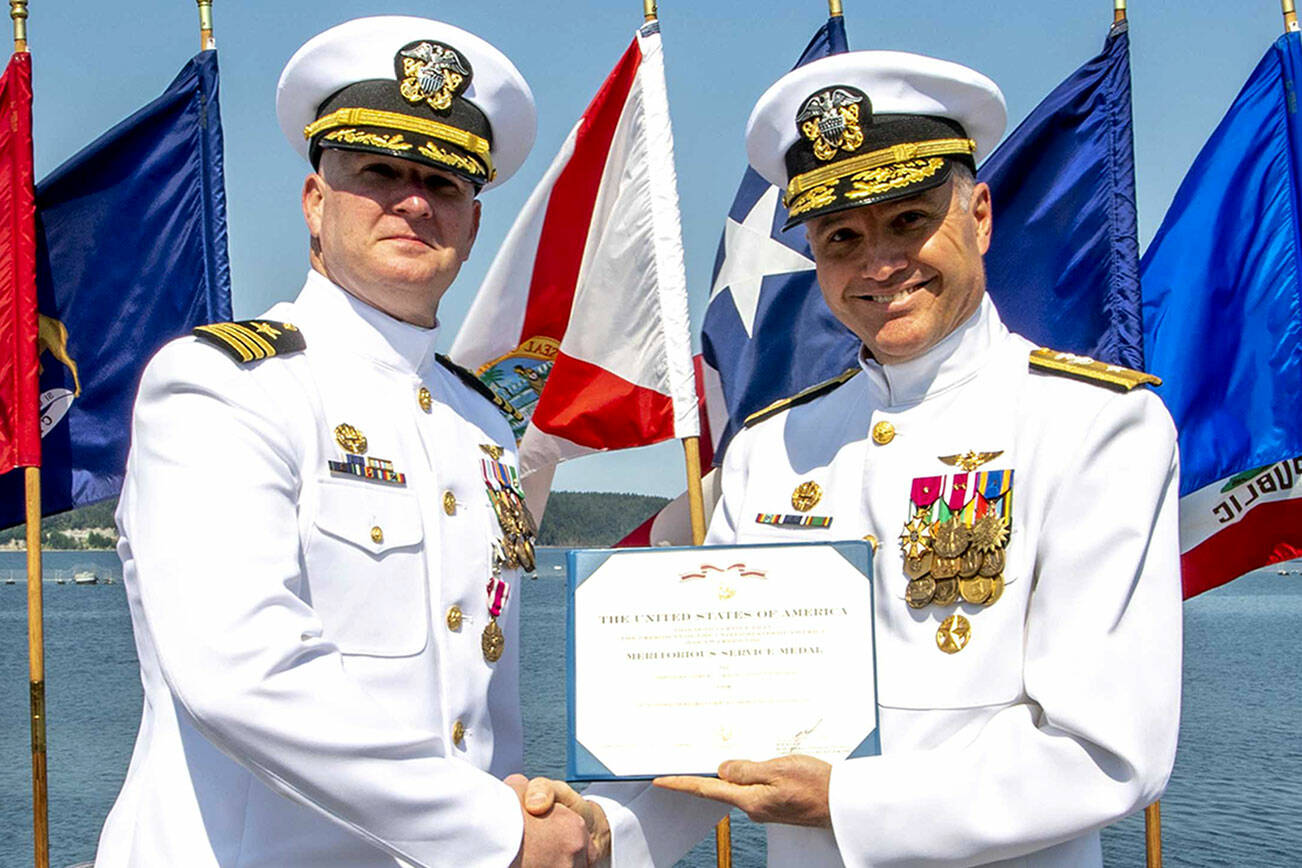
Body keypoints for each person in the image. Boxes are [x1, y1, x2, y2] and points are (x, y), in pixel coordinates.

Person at [529, 50, 1183, 867]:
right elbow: (715, 725)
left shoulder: (1094, 425)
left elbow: (1106, 753)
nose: (879, 263)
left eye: (911, 220)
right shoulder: (772, 448)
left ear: (979, 215)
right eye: (842, 235)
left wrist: (845, 801)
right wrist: (599, 836)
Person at [94, 16, 598, 867]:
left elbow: (481, 700)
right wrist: (497, 832)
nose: (413, 200)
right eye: (379, 172)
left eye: (443, 183)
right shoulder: (225, 384)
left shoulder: (481, 423)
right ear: (315, 204)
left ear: (472, 225)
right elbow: (242, 668)